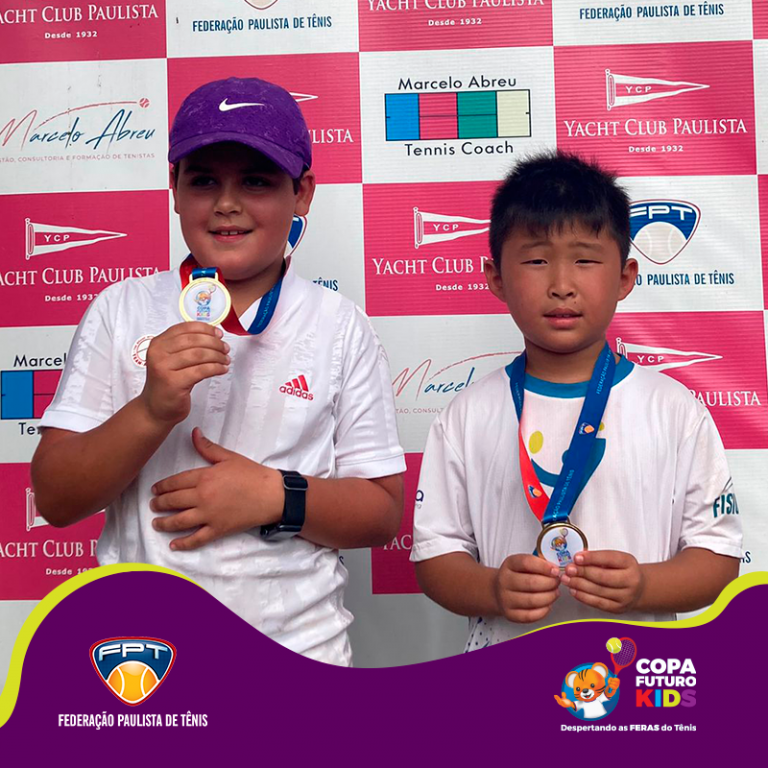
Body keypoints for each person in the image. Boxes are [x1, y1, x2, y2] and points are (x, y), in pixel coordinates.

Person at [31, 77, 406, 666]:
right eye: (204, 180)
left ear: (303, 192)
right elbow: (55, 499)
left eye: (256, 181)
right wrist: (150, 410)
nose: (227, 203)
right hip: (143, 659)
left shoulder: (340, 325)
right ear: (174, 189)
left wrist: (274, 495)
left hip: (298, 658)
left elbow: (382, 514)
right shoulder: (120, 310)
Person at [410, 152, 741, 651]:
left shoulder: (675, 411)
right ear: (496, 277)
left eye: (585, 260)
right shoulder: (466, 417)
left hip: (636, 677)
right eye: (536, 261)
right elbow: (436, 558)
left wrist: (645, 586)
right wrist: (493, 589)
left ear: (625, 277)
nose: (561, 286)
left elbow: (718, 556)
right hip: (506, 674)